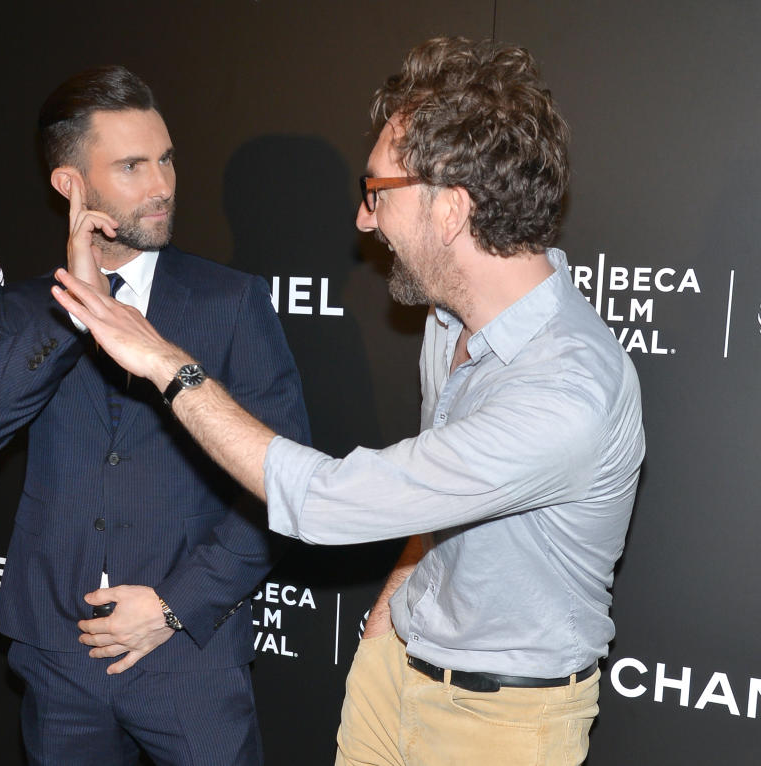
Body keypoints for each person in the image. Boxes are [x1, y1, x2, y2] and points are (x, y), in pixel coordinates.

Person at [51, 37, 646, 765]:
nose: (365, 222)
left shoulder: (564, 394)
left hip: (501, 725)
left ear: (451, 209)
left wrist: (167, 365)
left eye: (378, 193)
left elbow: (328, 501)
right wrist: (392, 610)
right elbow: (445, 493)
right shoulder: (450, 320)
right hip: (396, 671)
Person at [0, 65, 309, 766]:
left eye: (165, 158)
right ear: (70, 185)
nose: (162, 184)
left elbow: (281, 479)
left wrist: (174, 607)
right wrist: (71, 312)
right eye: (133, 165)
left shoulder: (231, 303)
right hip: (59, 658)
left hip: (191, 656)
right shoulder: (28, 312)